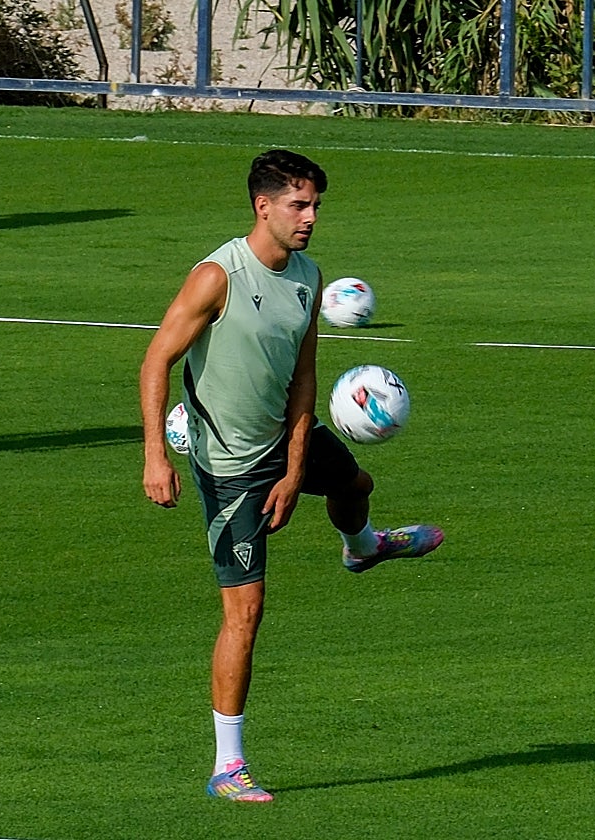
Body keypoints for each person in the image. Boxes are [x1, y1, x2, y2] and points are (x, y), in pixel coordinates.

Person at [139, 149, 443, 803]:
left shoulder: (308, 276)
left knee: (356, 486)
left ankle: (361, 549)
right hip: (228, 470)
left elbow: (305, 377)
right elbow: (156, 360)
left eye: (316, 207)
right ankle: (228, 766)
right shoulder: (215, 277)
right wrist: (155, 456)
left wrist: (296, 466)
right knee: (245, 614)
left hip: (283, 440)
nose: (310, 219)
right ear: (264, 206)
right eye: (299, 205)